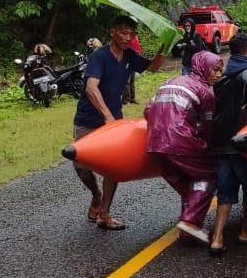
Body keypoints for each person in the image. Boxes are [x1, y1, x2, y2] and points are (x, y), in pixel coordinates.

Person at [74, 14, 166, 231]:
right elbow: (91, 88)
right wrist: (107, 117)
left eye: (132, 33)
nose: (128, 37)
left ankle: (104, 213)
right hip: (88, 119)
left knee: (112, 169)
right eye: (124, 32)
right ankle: (96, 195)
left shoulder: (129, 56)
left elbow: (152, 67)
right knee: (81, 167)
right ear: (112, 31)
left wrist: (165, 46)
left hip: (114, 119)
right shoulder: (100, 56)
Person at [145, 50, 224, 243]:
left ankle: (186, 231)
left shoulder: (170, 81)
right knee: (208, 175)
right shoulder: (205, 92)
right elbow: (207, 126)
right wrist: (206, 146)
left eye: (220, 71)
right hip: (180, 141)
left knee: (188, 183)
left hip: (154, 142)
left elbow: (148, 109)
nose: (218, 75)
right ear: (203, 67)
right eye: (214, 70)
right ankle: (190, 222)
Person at [210, 33, 247, 254]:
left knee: (225, 193)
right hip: (243, 142)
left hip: (220, 143)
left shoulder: (221, 77)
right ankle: (246, 231)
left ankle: (217, 239)